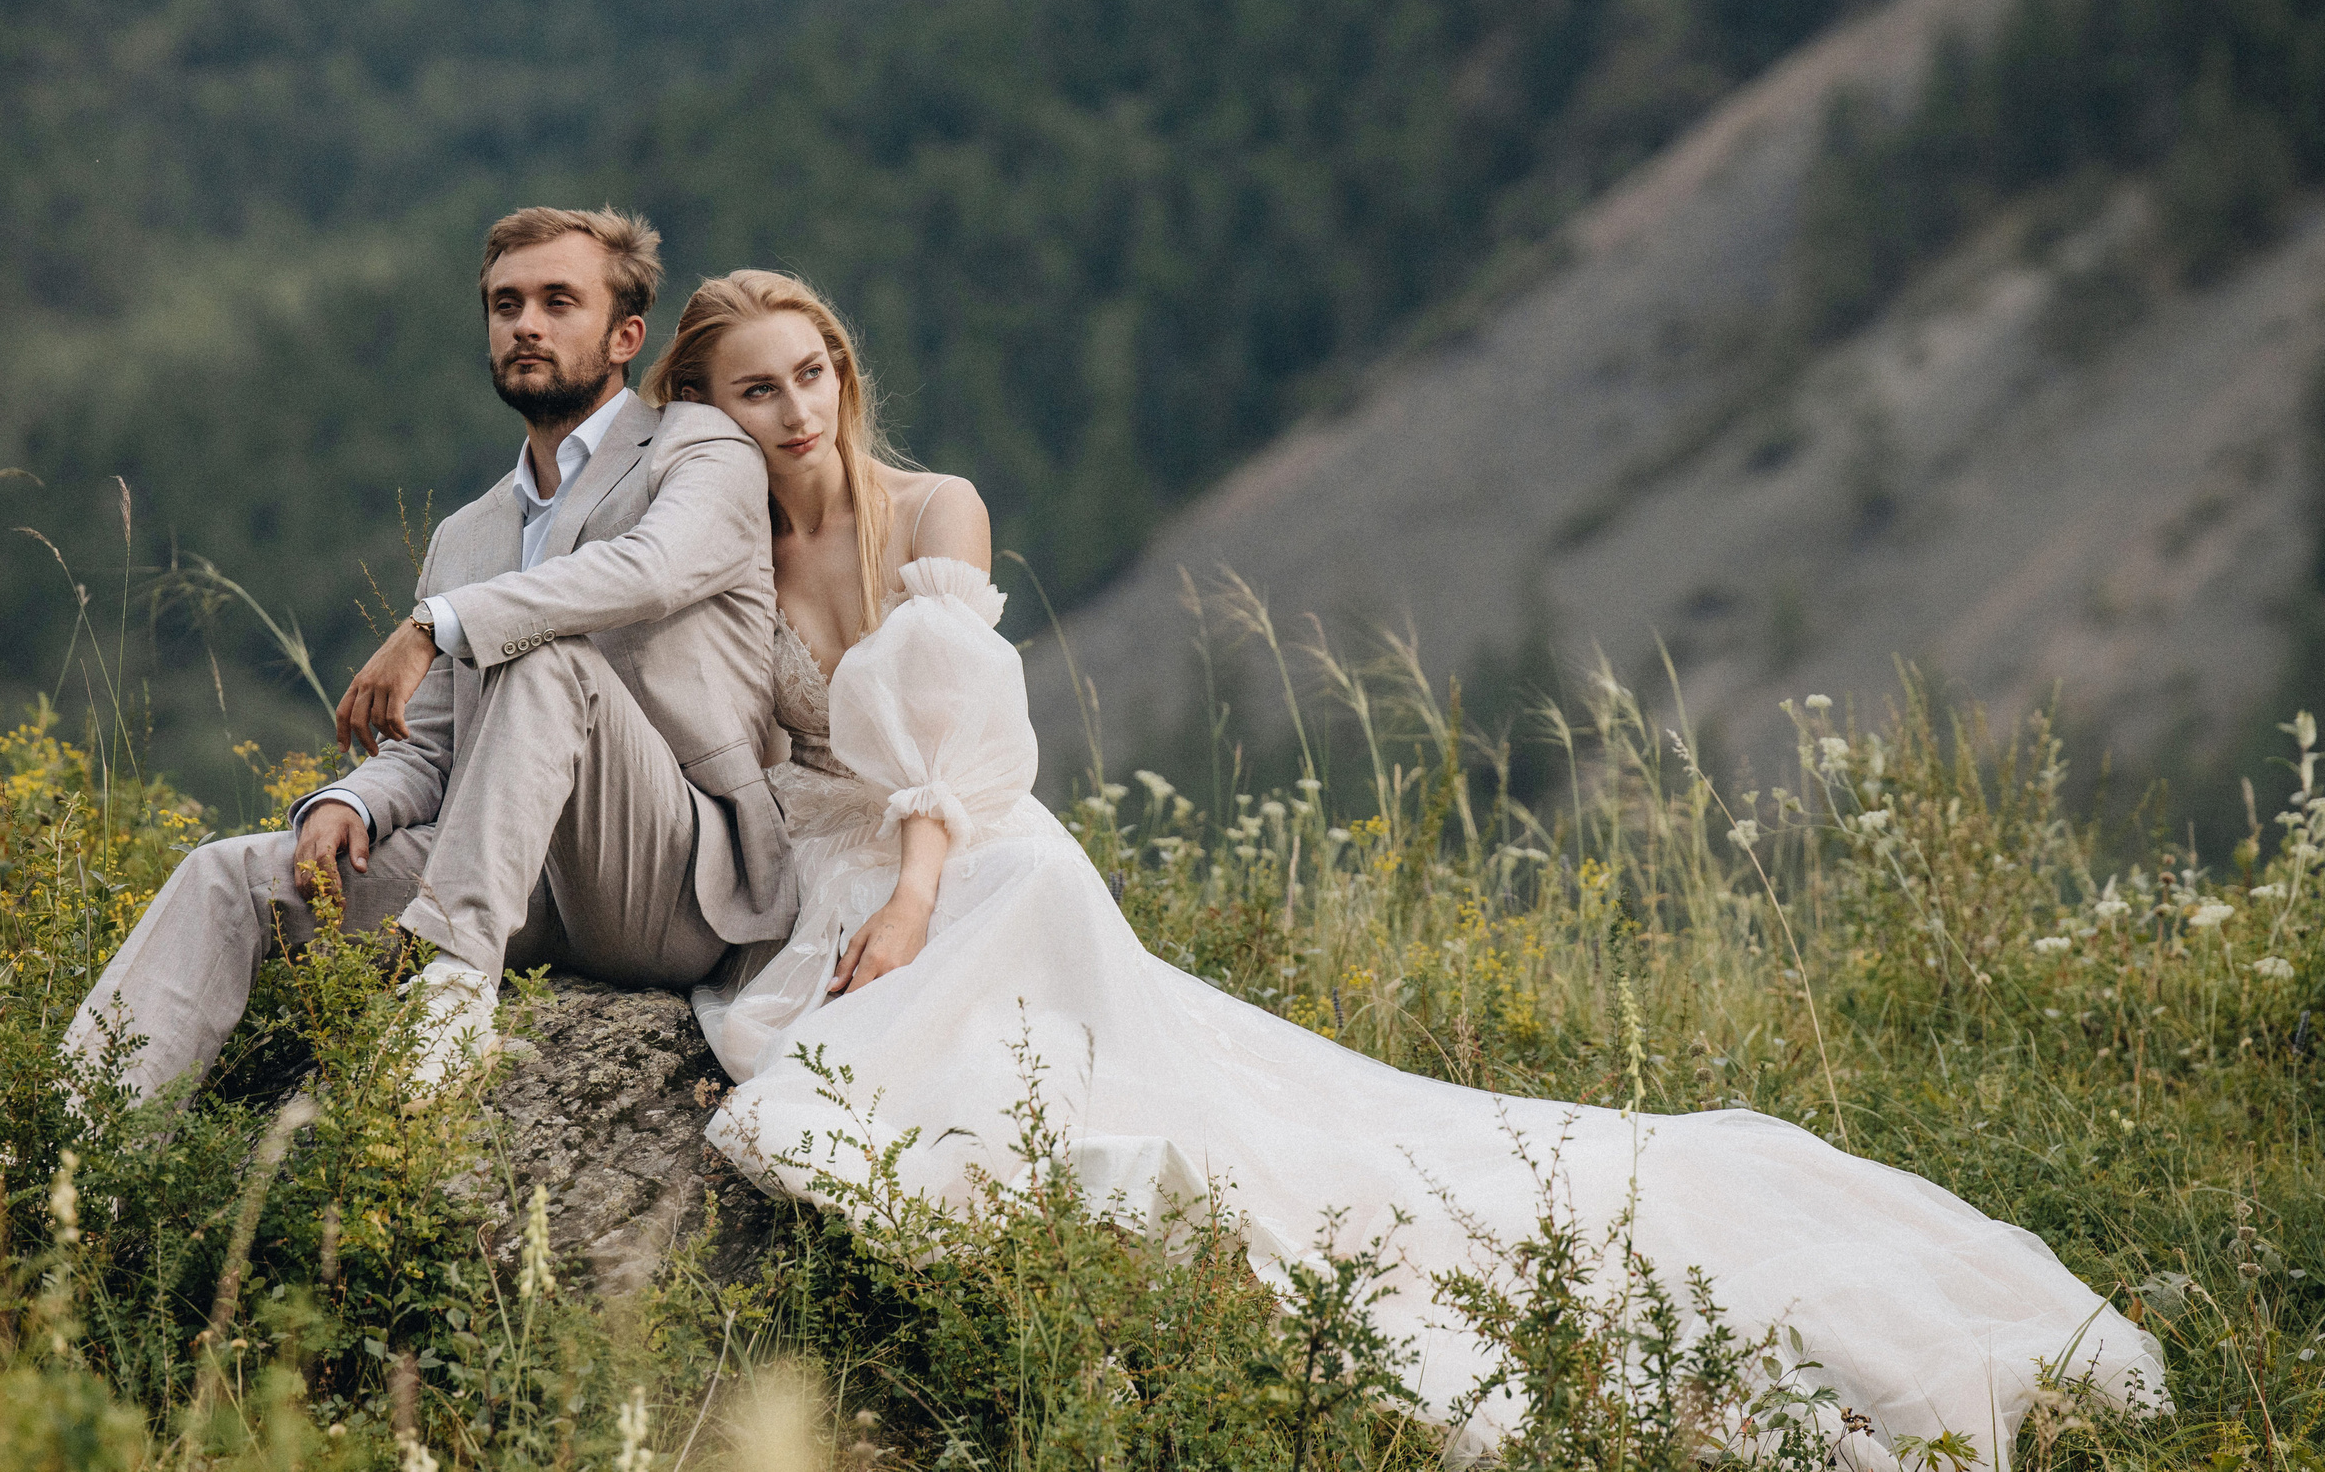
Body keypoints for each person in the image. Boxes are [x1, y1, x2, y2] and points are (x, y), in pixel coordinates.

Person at [648, 268, 2166, 1470]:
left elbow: (954, 735)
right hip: (822, 857)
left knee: (1080, 1014)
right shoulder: (723, 557)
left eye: (813, 371)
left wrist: (914, 894)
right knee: (850, 1069)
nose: (797, 408)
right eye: (757, 390)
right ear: (705, 414)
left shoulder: (933, 507)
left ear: (844, 370)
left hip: (965, 845)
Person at [64, 208, 794, 1104]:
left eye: (559, 302)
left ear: (625, 337)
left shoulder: (701, 449)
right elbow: (433, 744)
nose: (526, 324)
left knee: (548, 658)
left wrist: (435, 621)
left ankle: (452, 991)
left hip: (672, 880)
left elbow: (652, 569)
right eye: (505, 305)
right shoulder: (467, 533)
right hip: (510, 878)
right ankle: (76, 1132)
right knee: (228, 878)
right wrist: (354, 802)